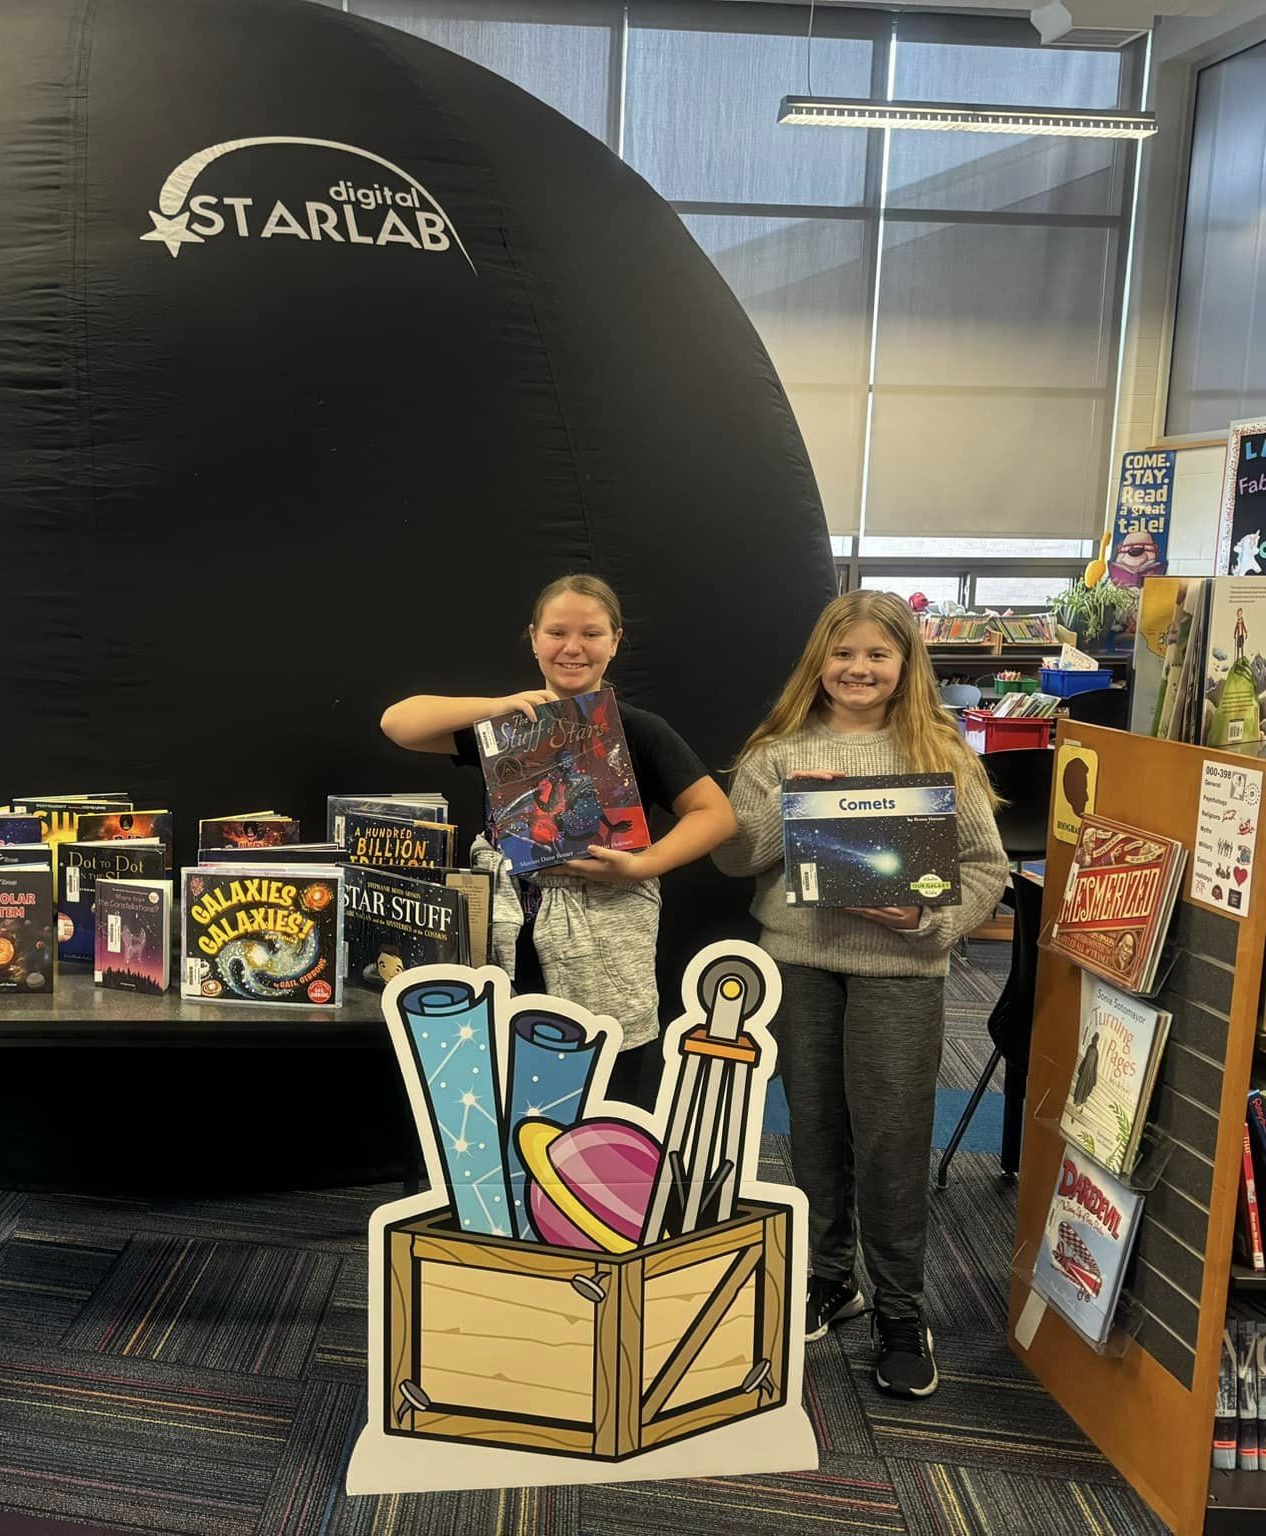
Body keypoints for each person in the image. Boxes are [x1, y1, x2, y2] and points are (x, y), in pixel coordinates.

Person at [713, 588, 1008, 1400]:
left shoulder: (939, 749)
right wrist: (788, 798)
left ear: (905, 664)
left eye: (878, 654)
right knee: (814, 1130)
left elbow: (987, 870)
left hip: (901, 972)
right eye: (844, 654)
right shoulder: (778, 751)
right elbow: (735, 859)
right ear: (821, 662)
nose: (859, 668)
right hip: (801, 963)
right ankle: (829, 1278)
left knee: (890, 1141)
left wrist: (927, 914)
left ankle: (902, 1310)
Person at [378, 574, 736, 1106]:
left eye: (591, 634)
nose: (573, 648)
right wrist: (497, 706)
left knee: (605, 1073)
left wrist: (644, 865)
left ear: (615, 641)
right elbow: (398, 722)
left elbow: (715, 814)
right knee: (506, 1069)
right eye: (557, 632)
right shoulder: (504, 725)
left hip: (603, 926)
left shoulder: (638, 729)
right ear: (534, 638)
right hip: (509, 918)